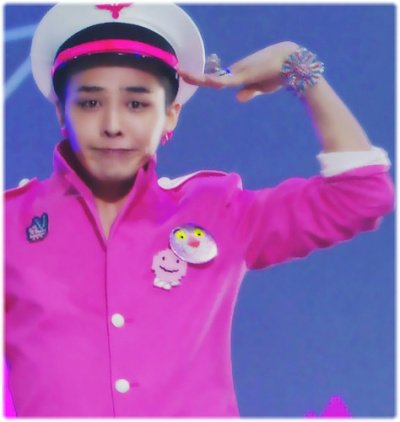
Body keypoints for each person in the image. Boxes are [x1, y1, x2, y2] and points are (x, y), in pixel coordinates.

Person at [4, 2, 394, 418]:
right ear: (61, 112)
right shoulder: (9, 224)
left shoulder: (215, 211)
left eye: (137, 104)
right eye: (89, 103)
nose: (113, 125)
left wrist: (298, 68)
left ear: (170, 115)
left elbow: (363, 195)